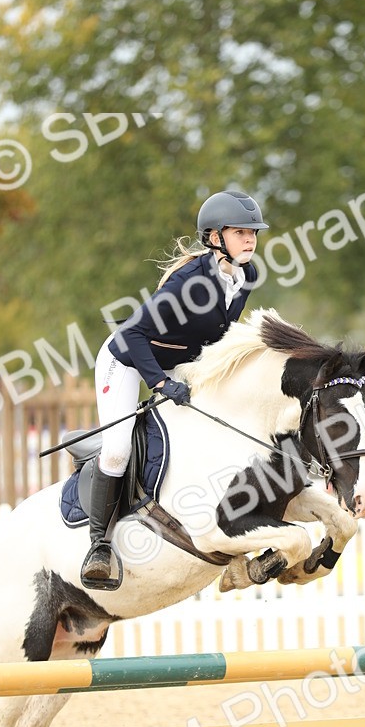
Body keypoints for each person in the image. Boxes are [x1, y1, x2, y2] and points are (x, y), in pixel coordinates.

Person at [80, 189, 269, 587]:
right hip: (127, 360)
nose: (250, 239)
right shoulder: (188, 282)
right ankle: (99, 545)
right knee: (117, 449)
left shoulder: (247, 275)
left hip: (179, 361)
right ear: (215, 237)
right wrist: (161, 383)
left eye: (253, 232)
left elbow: (220, 334)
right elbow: (132, 335)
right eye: (240, 232)